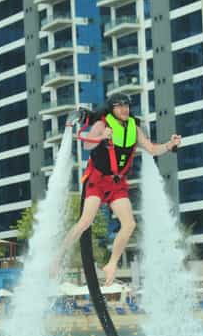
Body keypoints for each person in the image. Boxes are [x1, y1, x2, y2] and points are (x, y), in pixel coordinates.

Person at [54, 93, 181, 286]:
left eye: (127, 106)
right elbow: (87, 144)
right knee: (85, 221)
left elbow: (153, 149)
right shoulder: (102, 124)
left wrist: (170, 145)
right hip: (97, 180)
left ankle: (111, 264)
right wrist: (102, 137)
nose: (124, 109)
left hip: (118, 183)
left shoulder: (134, 128)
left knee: (129, 224)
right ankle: (58, 256)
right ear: (112, 108)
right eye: (119, 106)